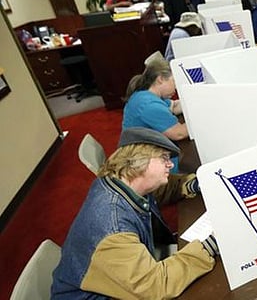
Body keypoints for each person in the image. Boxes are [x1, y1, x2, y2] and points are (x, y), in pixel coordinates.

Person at [51, 127, 218, 299]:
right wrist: (209, 246)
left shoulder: (118, 181)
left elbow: (160, 189)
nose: (170, 164)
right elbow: (156, 286)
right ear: (139, 160)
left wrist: (192, 184)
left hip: (124, 279)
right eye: (164, 158)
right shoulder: (114, 229)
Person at [122, 55, 189, 172]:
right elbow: (179, 133)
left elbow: (174, 106)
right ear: (160, 79)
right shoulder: (149, 105)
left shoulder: (147, 94)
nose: (176, 87)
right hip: (145, 161)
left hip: (146, 150)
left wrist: (196, 101)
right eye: (174, 81)